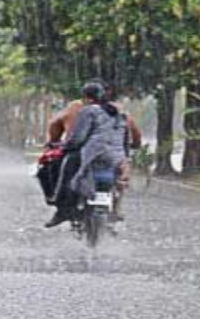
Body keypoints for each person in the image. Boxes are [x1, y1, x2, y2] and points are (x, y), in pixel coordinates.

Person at [44, 81, 140, 227]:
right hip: (117, 156)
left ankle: (63, 210)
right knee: (121, 178)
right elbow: (129, 134)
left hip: (93, 154)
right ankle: (116, 209)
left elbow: (78, 137)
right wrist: (126, 152)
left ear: (87, 97)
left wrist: (64, 146)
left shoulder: (84, 109)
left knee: (67, 168)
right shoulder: (119, 112)